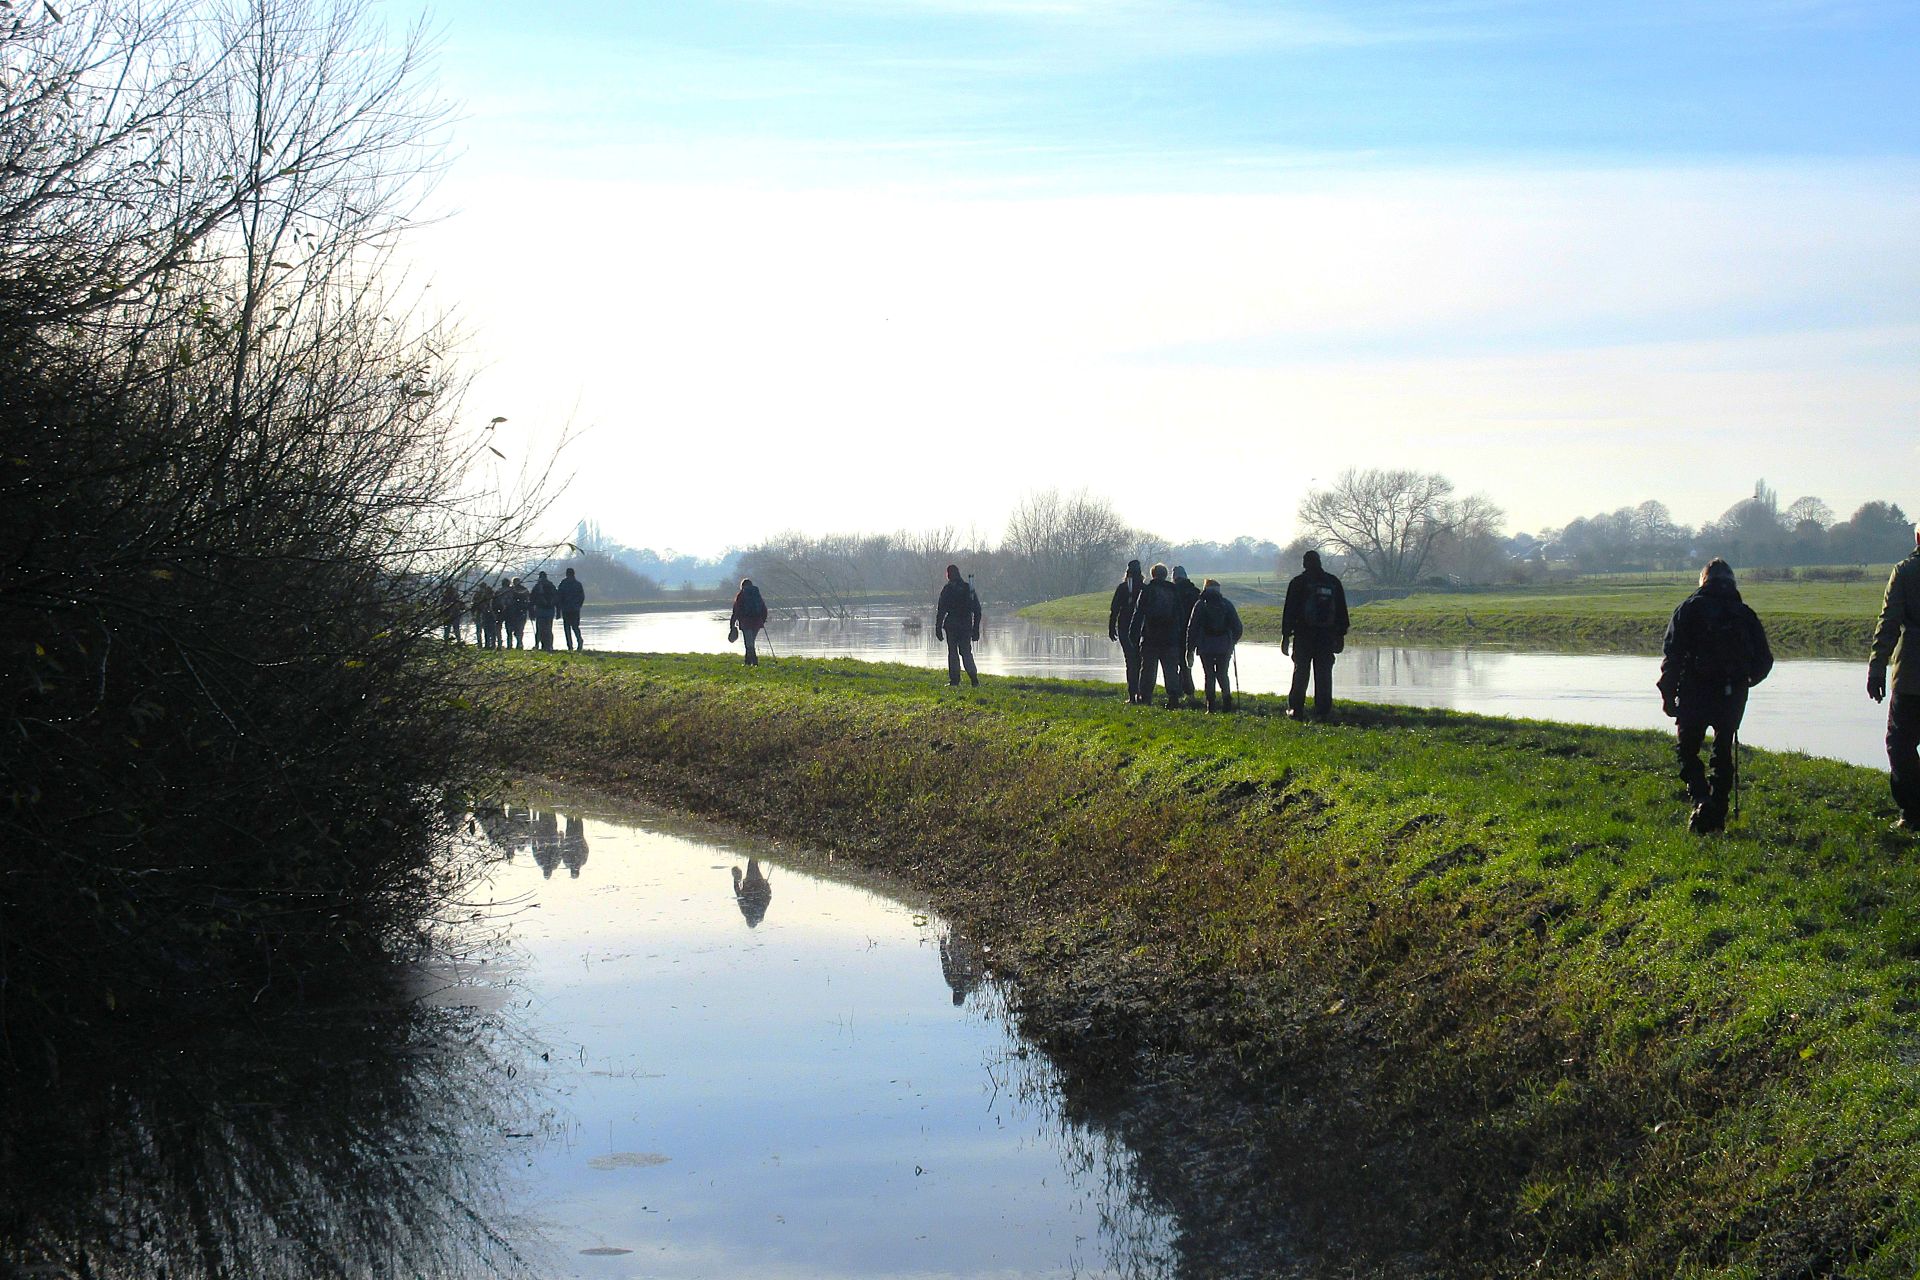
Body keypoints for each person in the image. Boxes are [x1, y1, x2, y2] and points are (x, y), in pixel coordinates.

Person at [1657, 558, 1773, 835]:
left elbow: (1672, 656)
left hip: (1694, 691)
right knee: (1723, 752)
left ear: (1703, 580)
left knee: (1687, 750)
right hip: (1731, 693)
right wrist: (1745, 682)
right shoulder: (1745, 614)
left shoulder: (1688, 609)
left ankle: (1700, 798)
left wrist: (1668, 694)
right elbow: (1765, 660)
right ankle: (1717, 814)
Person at [1869, 525, 1920, 833]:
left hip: (1911, 673)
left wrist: (1877, 668)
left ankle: (1912, 811)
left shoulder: (1904, 572)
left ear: (1917, 538)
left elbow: (1889, 623)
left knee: (1899, 744)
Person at [1281, 549, 1349, 721]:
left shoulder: (1298, 583)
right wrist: (1340, 635)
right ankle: (1323, 711)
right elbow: (1342, 611)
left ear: (1304, 563)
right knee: (1324, 673)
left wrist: (1285, 636)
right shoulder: (1333, 582)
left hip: (1304, 635)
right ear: (1320, 562)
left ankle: (1296, 709)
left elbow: (1289, 611)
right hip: (1326, 636)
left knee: (1301, 672)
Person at [1130, 563, 1186, 708]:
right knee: (1171, 669)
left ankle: (1146, 697)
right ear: (1166, 575)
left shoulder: (1147, 590)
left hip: (1151, 636)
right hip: (1170, 637)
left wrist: (1133, 634)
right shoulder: (1173, 591)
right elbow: (1180, 614)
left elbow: (1139, 613)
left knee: (1148, 668)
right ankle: (1173, 698)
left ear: (1153, 575)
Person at [1186, 578, 1244, 712]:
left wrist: (1190, 649)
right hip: (1224, 646)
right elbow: (1238, 627)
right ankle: (1227, 703)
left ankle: (1210, 706)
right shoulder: (1226, 604)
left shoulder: (1200, 605)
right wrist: (1232, 641)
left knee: (1209, 675)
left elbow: (1192, 627)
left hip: (1205, 646)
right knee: (1223, 674)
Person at [934, 565, 982, 688]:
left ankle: (954, 681)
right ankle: (974, 679)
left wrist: (938, 628)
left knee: (953, 653)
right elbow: (977, 610)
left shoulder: (947, 589)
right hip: (965, 625)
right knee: (966, 652)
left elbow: (941, 610)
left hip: (952, 625)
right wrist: (976, 628)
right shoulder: (968, 588)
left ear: (948, 575)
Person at [1107, 559, 1147, 703]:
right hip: (1142, 630)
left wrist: (1111, 627)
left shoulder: (1123, 588)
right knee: (1141, 662)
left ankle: (1132, 695)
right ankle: (1142, 694)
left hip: (1124, 628)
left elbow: (1115, 609)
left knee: (1130, 662)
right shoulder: (1144, 588)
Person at [1172, 566, 1202, 698]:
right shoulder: (1195, 591)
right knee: (1186, 662)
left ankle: (1184, 690)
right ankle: (1187, 690)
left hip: (1175, 630)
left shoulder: (1172, 591)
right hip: (1191, 631)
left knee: (1176, 662)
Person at [729, 577, 769, 665]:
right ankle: (749, 662)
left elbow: (736, 611)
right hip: (757, 622)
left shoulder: (741, 595)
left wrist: (732, 625)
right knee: (751, 642)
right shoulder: (757, 594)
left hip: (745, 622)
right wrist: (762, 620)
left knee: (748, 643)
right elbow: (764, 609)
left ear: (742, 586)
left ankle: (753, 662)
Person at [528, 570, 559, 652]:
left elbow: (531, 600)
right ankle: (549, 645)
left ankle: (539, 645)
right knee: (548, 629)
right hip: (550, 610)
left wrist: (531, 613)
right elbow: (557, 598)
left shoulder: (537, 587)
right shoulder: (551, 586)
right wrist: (558, 611)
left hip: (540, 610)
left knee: (539, 629)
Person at [557, 566, 586, 651]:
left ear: (566, 574)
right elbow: (582, 597)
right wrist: (578, 606)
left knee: (567, 628)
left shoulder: (563, 583)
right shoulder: (578, 584)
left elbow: (559, 597)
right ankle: (579, 641)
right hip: (575, 609)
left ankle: (570, 646)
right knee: (575, 627)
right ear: (574, 574)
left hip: (566, 609)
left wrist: (559, 609)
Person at [501, 577, 528, 649]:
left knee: (512, 630)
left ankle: (512, 645)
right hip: (518, 613)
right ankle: (518, 644)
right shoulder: (523, 590)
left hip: (513, 613)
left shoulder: (511, 590)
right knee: (518, 630)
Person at [469, 579, 493, 647]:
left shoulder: (480, 594)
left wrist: (473, 614)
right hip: (481, 613)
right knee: (483, 630)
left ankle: (484, 644)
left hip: (483, 614)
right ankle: (484, 644)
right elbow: (473, 605)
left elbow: (472, 605)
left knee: (484, 630)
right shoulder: (479, 594)